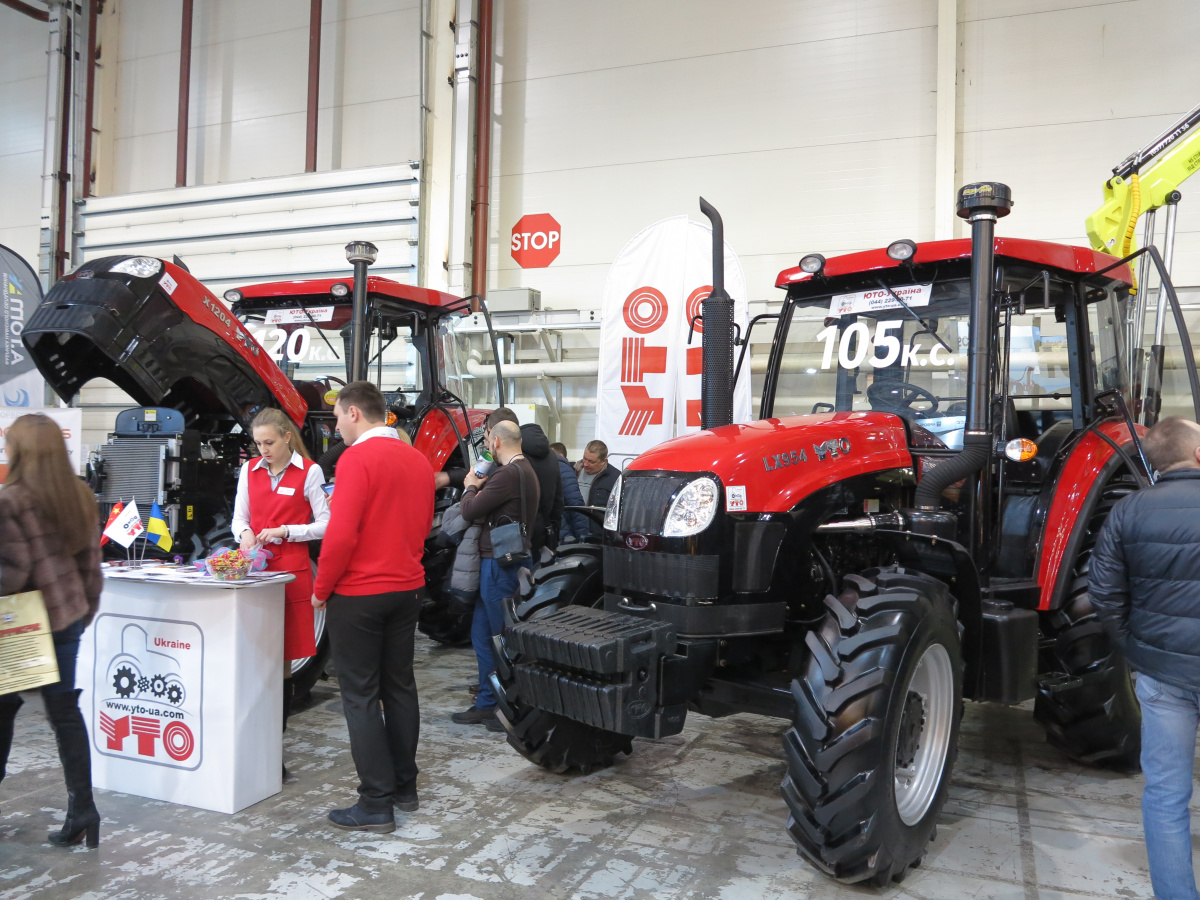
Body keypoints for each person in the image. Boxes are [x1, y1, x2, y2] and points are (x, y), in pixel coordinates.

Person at [311, 381, 434, 833]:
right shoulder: (417, 459)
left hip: (360, 593)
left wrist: (321, 588)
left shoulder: (356, 459)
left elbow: (341, 534)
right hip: (407, 587)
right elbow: (423, 524)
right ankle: (404, 787)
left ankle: (375, 802)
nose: (336, 428)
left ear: (355, 413)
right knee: (399, 686)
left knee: (360, 695)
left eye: (337, 418)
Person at [1090, 416, 1200, 900]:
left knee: (1166, 796)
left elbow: (1104, 594)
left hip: (1162, 675)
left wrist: (1135, 649)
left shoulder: (1129, 510)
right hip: (1163, 669)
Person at [0, 414, 103, 848]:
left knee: (3, 711)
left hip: (20, 626)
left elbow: (10, 574)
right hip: (66, 619)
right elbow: (92, 568)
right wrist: (81, 614)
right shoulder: (79, 494)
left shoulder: (10, 500)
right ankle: (83, 810)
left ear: (20, 450)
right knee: (64, 713)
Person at [231, 407, 330, 771]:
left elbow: (325, 524)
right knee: (254, 658)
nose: (263, 450)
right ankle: (251, 744)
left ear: (287, 437)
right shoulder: (249, 470)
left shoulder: (310, 471)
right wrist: (243, 533)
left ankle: (274, 749)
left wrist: (288, 531)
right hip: (255, 573)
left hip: (290, 574)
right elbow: (239, 517)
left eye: (269, 443)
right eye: (258, 444)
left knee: (283, 662)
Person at [451, 419, 539, 729]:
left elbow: (469, 510)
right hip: (508, 561)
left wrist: (470, 486)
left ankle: (506, 707)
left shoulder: (506, 475)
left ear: (497, 442)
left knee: (500, 638)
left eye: (488, 440)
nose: (487, 445)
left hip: (499, 565)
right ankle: (488, 702)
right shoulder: (526, 470)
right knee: (484, 635)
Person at [576, 439, 619, 535]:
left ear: (604, 461)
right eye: (584, 458)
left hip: (598, 534)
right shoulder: (574, 471)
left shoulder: (615, 478)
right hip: (575, 529)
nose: (586, 464)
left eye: (591, 462)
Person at [551, 442, 589, 542]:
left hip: (559, 532)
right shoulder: (564, 469)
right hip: (563, 533)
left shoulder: (560, 468)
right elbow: (576, 505)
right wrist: (583, 538)